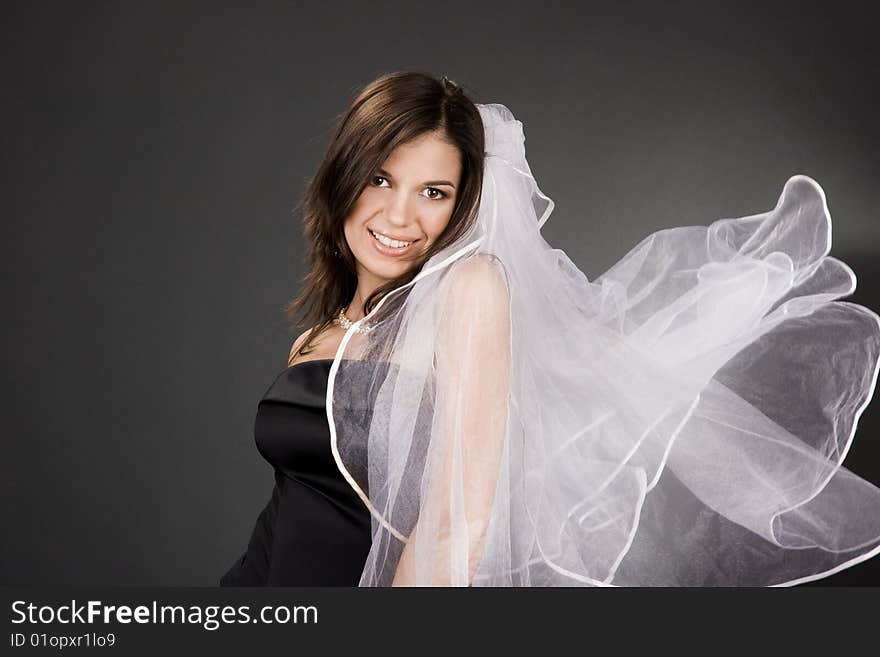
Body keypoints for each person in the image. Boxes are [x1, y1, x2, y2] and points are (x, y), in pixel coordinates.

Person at [221, 71, 880, 587]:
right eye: (379, 178)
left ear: (462, 205)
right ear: (343, 178)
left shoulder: (469, 291)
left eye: (434, 192)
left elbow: (457, 525)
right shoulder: (318, 338)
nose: (399, 214)